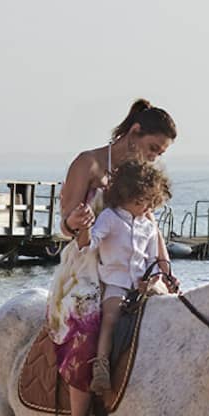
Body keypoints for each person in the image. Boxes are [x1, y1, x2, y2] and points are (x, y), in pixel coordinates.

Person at [47, 98, 176, 416]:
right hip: (88, 262)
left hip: (134, 267)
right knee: (86, 324)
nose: (154, 158)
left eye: (160, 154)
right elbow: (66, 226)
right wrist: (77, 219)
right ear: (134, 132)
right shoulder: (87, 163)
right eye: (153, 148)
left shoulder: (138, 173)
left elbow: (150, 222)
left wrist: (163, 265)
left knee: (179, 321)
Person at [88, 160, 176, 396]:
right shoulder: (110, 218)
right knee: (111, 317)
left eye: (148, 202)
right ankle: (102, 365)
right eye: (139, 202)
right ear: (124, 195)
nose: (144, 207)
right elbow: (93, 241)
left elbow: (151, 259)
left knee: (170, 308)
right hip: (116, 282)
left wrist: (153, 279)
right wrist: (84, 233)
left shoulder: (147, 226)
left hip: (142, 285)